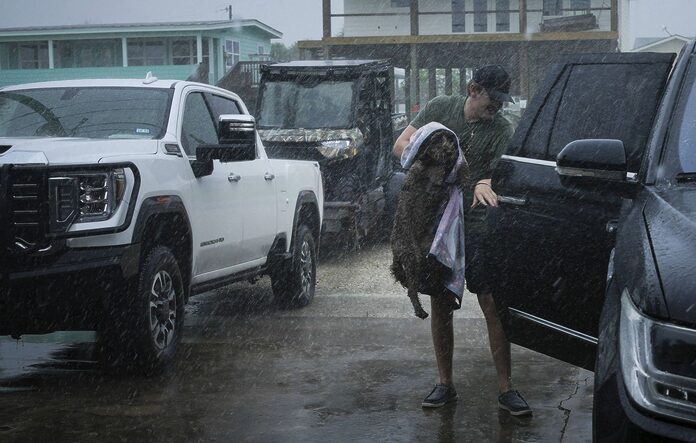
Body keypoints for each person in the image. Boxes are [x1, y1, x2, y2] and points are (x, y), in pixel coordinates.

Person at [393, 65, 532, 416]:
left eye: (502, 101)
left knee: (491, 303)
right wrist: (434, 159)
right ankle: (445, 384)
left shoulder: (501, 129)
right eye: (492, 99)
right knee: (441, 302)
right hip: (438, 225)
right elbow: (401, 146)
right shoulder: (440, 108)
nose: (497, 107)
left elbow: (497, 174)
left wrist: (486, 181)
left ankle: (506, 387)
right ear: (473, 90)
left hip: (480, 226)